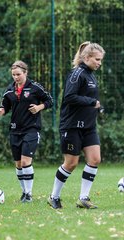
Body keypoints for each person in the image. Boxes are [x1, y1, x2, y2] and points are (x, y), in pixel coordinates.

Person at [47, 42, 105, 209]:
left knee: (95, 159)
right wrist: (91, 101)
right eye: (97, 59)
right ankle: (54, 197)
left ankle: (84, 198)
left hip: (89, 126)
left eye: (100, 60)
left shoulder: (91, 74)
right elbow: (69, 97)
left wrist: (97, 106)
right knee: (71, 163)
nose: (99, 63)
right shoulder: (77, 74)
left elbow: (88, 99)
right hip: (72, 125)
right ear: (86, 58)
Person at [0, 60, 53, 203]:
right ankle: (24, 192)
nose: (16, 77)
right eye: (13, 75)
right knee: (18, 164)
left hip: (31, 129)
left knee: (26, 161)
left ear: (25, 73)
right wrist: (2, 110)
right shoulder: (10, 90)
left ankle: (28, 194)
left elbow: (50, 101)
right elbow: (5, 105)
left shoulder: (35, 87)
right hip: (15, 130)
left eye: (18, 74)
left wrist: (39, 107)